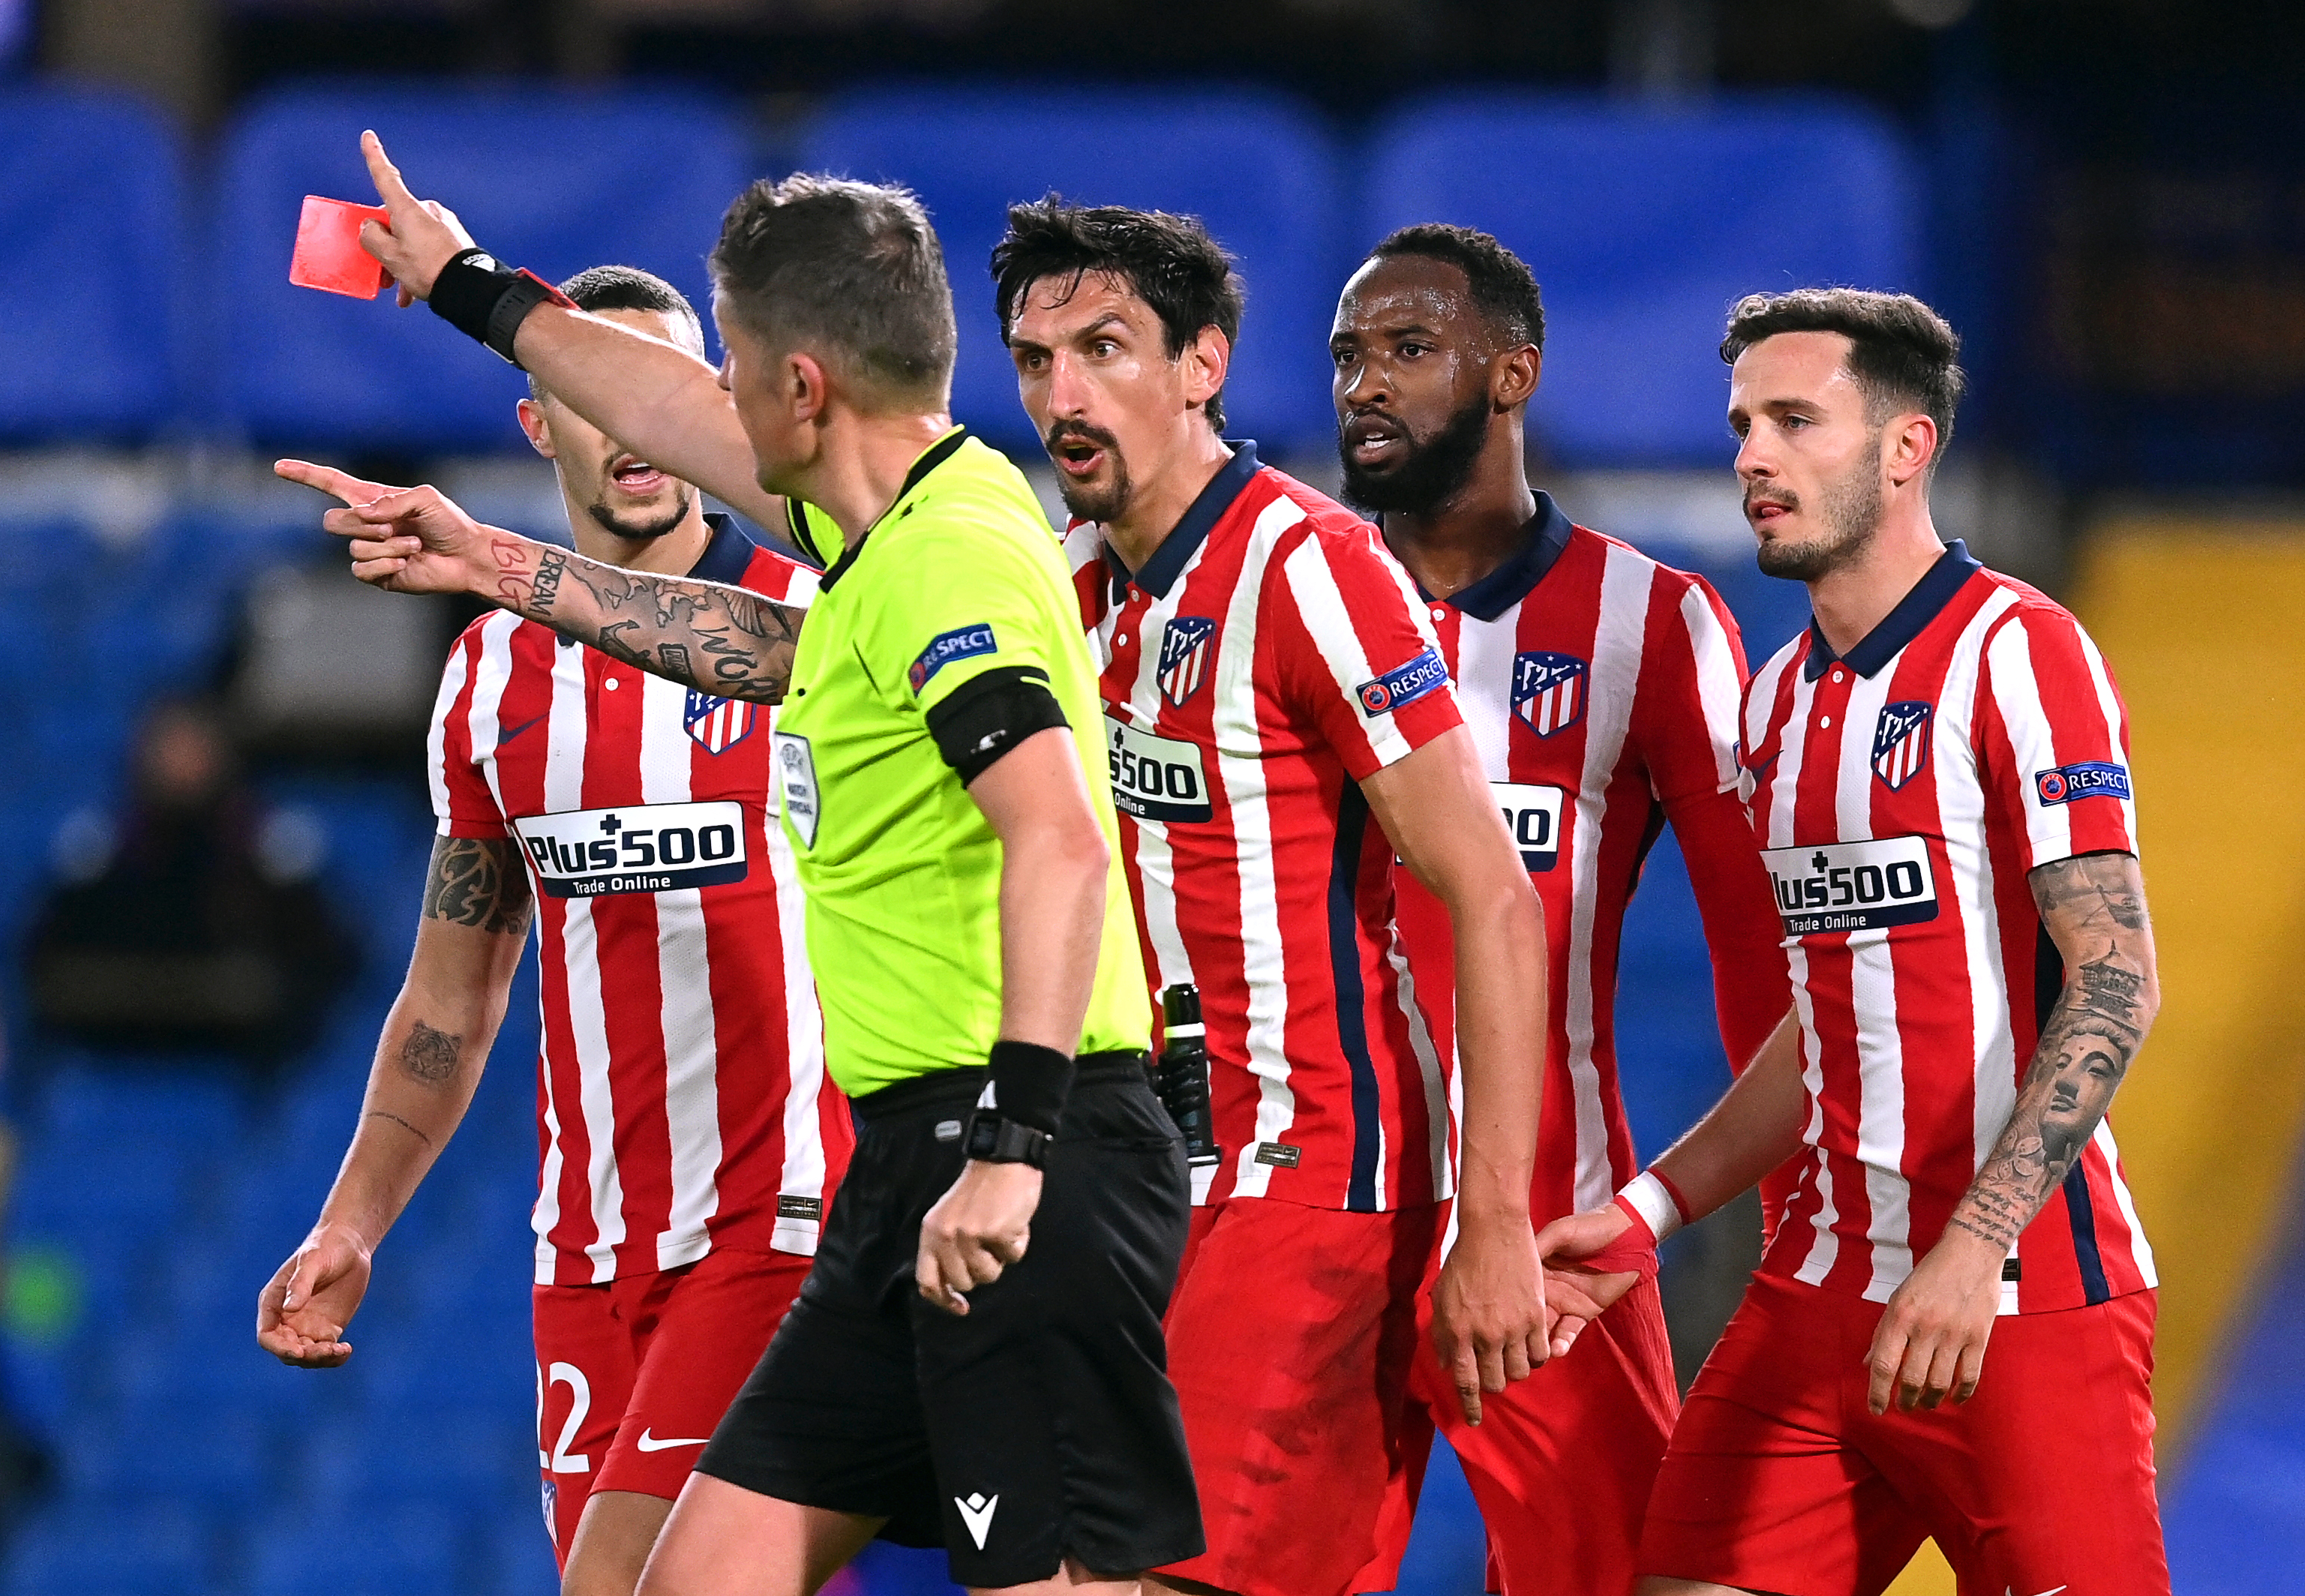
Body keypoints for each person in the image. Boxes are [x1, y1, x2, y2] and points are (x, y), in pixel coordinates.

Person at [282, 138, 1202, 1596]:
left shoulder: (950, 557)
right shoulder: (870, 526)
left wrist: (1016, 1151)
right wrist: (462, 282)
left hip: (1024, 1151)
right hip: (905, 1170)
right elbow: (654, 403)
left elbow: (1061, 837)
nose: (699, 408)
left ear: (800, 388)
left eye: (733, 366)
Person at [1540, 288, 2168, 1596]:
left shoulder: (2018, 652)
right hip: (1812, 1299)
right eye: (1739, 426)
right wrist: (1647, 1210)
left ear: (1904, 447)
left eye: (1791, 422)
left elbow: (2114, 977)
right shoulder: (1773, 703)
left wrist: (1971, 1247)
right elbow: (1827, 1024)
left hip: (2017, 1306)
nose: (1750, 457)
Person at [257, 266, 854, 1596]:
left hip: (785, 1222)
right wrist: (352, 1221)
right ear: (541, 424)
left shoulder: (816, 629)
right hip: (587, 1256)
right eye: (592, 389)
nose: (633, 425)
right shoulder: (491, 678)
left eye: (667, 390)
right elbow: (449, 1001)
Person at [987, 200, 1553, 1596]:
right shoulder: (1066, 589)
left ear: (1203, 364)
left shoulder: (1312, 569)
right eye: (1034, 358)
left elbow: (1491, 894)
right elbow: (817, 647)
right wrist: (517, 571)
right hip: (1135, 1192)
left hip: (1307, 1181)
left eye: (1103, 348)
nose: (1063, 393)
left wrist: (1489, 1222)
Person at [1325, 226, 1790, 1596]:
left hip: (1544, 1245)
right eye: (1350, 353)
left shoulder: (1650, 624)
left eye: (1410, 350)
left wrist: (1775, 1222)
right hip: (1309, 1216)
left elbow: (1764, 970)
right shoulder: (1282, 590)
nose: (1366, 383)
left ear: (1511, 373)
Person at [26, 695, 356, 1073]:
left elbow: (328, 964)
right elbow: (45, 965)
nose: (182, 763)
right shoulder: (100, 857)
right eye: (171, 748)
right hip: (114, 1059)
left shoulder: (272, 857)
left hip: (246, 1065)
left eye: (194, 747)